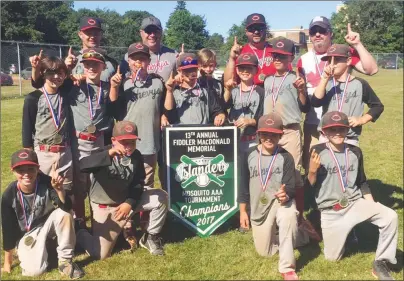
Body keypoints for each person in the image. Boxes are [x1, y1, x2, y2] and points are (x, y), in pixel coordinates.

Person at [306, 111, 398, 280]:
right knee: (332, 259)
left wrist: (373, 207)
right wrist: (312, 170)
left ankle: (381, 262)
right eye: (332, 130)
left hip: (354, 203)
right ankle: (348, 235)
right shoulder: (317, 151)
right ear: (324, 132)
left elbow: (362, 182)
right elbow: (309, 186)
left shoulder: (355, 151)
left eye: (341, 129)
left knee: (390, 216)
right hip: (331, 211)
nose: (338, 133)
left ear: (347, 130)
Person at [76, 121, 168, 258]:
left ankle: (151, 237)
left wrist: (129, 202)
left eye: (132, 142)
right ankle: (80, 233)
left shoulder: (136, 156)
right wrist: (108, 154)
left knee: (161, 197)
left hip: (126, 204)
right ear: (113, 140)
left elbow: (138, 184)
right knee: (101, 254)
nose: (129, 147)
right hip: (105, 207)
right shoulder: (102, 153)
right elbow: (82, 165)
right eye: (124, 142)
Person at [298, 16, 378, 171]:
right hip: (314, 123)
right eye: (314, 31)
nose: (318, 34)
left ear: (330, 33)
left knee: (341, 167)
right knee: (313, 168)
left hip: (339, 125)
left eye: (322, 30)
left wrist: (357, 44)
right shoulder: (303, 59)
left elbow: (372, 70)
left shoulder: (342, 53)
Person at [238, 113, 310, 281]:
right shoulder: (248, 155)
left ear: (280, 135)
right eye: (265, 134)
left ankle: (287, 268)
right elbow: (242, 186)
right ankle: (301, 235)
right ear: (258, 135)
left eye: (273, 134)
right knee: (265, 252)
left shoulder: (286, 157)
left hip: (280, 203)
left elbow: (291, 187)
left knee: (288, 215)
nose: (269, 138)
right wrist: (243, 211)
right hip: (258, 207)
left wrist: (286, 195)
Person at [1, 149, 84, 279]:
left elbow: (67, 207)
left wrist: (59, 189)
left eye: (31, 169)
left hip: (47, 227)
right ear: (13, 171)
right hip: (27, 235)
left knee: (65, 214)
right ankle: (47, 249)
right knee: (34, 272)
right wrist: (7, 262)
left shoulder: (47, 182)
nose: (26, 174)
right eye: (21, 170)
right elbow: (8, 230)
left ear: (38, 169)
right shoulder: (8, 196)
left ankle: (65, 261)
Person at [263, 37, 317, 236]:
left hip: (290, 130)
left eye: (282, 55)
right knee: (271, 173)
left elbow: (305, 106)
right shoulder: (268, 80)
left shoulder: (296, 79)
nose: (278, 59)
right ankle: (274, 214)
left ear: (290, 57)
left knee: (294, 174)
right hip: (269, 133)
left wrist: (302, 90)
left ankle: (299, 216)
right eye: (275, 55)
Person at [311, 44, 384, 146]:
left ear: (348, 61)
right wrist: (324, 79)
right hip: (326, 137)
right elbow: (315, 102)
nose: (332, 64)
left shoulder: (359, 84)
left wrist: (362, 119)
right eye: (329, 60)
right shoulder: (327, 82)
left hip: (349, 138)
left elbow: (377, 106)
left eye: (336, 60)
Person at [22, 56, 73, 195]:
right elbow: (27, 129)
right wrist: (29, 157)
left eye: (60, 73)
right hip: (43, 153)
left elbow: (72, 79)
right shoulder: (33, 98)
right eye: (51, 73)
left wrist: (70, 66)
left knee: (66, 192)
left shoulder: (66, 94)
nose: (56, 77)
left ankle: (69, 216)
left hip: (65, 153)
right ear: (43, 74)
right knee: (43, 193)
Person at [164, 53, 226, 126]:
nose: (191, 73)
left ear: (198, 69)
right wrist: (169, 91)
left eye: (194, 69)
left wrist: (220, 115)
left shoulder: (206, 90)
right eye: (187, 70)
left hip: (202, 135)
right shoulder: (174, 91)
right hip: (180, 135)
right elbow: (169, 116)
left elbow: (217, 111)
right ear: (179, 71)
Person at [223, 53, 264, 153]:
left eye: (249, 68)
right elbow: (223, 107)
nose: (245, 71)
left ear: (256, 70)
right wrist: (228, 90)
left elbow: (263, 118)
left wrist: (249, 121)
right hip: (232, 138)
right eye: (242, 68)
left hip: (252, 140)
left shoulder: (261, 92)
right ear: (237, 70)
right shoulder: (233, 89)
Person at [120, 16, 177, 82]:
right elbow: (122, 84)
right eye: (148, 31)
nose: (152, 35)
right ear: (141, 33)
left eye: (156, 31)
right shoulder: (129, 57)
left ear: (161, 32)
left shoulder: (174, 56)